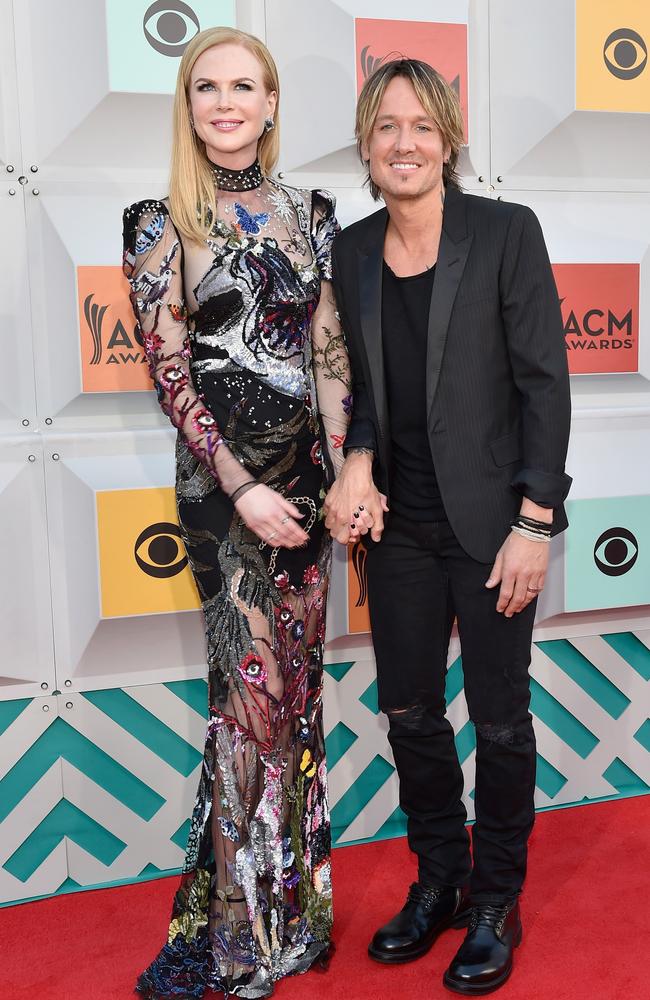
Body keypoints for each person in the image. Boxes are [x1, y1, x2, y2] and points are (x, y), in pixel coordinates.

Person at [325, 59, 571, 995]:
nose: (404, 143)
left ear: (449, 139)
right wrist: (357, 463)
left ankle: (498, 901)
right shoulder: (351, 252)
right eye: (386, 127)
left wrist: (535, 523)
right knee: (411, 714)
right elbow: (374, 400)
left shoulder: (506, 233)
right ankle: (442, 882)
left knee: (501, 724)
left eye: (422, 126)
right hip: (399, 533)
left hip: (495, 527)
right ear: (365, 142)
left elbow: (545, 386)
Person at [122, 27, 350, 999]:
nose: (225, 102)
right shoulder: (156, 220)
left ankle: (295, 915)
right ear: (188, 104)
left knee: (296, 704)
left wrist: (341, 474)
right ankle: (242, 938)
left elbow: (329, 357)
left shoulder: (314, 214)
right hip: (224, 497)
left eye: (242, 85)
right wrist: (240, 488)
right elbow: (169, 372)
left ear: (267, 103)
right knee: (247, 711)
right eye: (206, 86)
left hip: (304, 487)